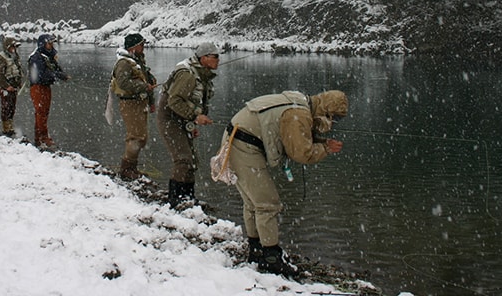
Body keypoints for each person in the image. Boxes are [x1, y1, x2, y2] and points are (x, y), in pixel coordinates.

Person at [224, 90, 347, 277]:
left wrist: (319, 140)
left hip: (234, 139)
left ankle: (257, 250)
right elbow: (300, 152)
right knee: (267, 204)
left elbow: (294, 135)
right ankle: (271, 258)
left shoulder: (299, 102)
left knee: (253, 202)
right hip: (243, 146)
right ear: (327, 111)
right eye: (335, 117)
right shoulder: (299, 114)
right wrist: (325, 148)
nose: (335, 122)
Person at [157, 41, 220, 208]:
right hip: (170, 119)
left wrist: (191, 122)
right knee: (183, 159)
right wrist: (195, 117)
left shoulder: (201, 73)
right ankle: (176, 199)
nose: (218, 60)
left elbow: (188, 101)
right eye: (215, 56)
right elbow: (174, 101)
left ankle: (188, 198)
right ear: (204, 58)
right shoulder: (188, 75)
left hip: (182, 119)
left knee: (192, 160)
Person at [110, 32, 157, 180]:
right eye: (141, 44)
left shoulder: (138, 61)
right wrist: (143, 86)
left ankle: (132, 168)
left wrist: (151, 102)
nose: (144, 47)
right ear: (133, 47)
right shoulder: (123, 63)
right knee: (136, 136)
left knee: (141, 137)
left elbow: (146, 80)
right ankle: (126, 169)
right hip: (130, 103)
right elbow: (123, 83)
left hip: (140, 102)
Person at [28, 34, 69, 149]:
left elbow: (55, 69)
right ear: (43, 44)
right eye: (49, 43)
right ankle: (42, 138)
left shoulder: (48, 56)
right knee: (41, 112)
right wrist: (58, 75)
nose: (51, 45)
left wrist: (61, 74)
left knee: (44, 112)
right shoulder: (36, 57)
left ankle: (39, 138)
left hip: (45, 87)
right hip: (37, 87)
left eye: (52, 43)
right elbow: (42, 75)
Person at [0, 37, 24, 137]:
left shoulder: (15, 57)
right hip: (5, 87)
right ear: (8, 47)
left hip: (13, 86)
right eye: (13, 47)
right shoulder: (1, 58)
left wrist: (19, 83)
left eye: (15, 47)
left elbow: (18, 70)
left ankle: (10, 127)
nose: (14, 49)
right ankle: (6, 129)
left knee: (12, 107)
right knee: (6, 107)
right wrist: (6, 86)